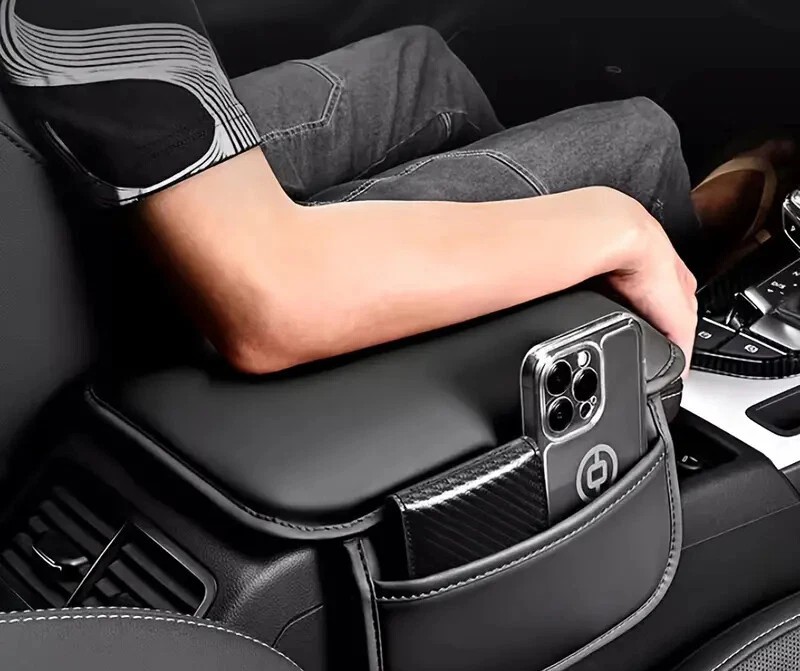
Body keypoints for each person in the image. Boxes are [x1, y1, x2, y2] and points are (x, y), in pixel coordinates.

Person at [0, 1, 783, 375]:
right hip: (109, 301)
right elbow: (271, 301)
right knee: (635, 144)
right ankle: (678, 287)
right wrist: (619, 226)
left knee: (421, 65)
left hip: (38, 183)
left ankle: (524, 291)